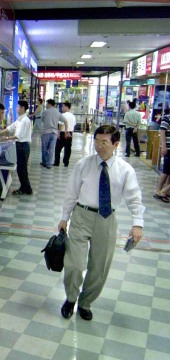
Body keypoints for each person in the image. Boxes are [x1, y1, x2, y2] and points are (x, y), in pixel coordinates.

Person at [58, 125, 144, 320]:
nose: (99, 146)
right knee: (75, 264)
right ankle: (71, 298)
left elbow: (134, 198)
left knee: (100, 266)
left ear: (115, 144)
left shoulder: (125, 170)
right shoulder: (83, 165)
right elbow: (71, 193)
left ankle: (86, 302)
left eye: (104, 142)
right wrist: (64, 218)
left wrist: (137, 223)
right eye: (96, 141)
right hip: (82, 215)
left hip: (107, 219)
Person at [0, 100, 33, 195]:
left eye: (18, 107)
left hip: (23, 146)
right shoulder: (19, 119)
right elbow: (10, 128)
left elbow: (18, 136)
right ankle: (25, 187)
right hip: (20, 146)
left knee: (22, 169)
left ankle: (26, 189)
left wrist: (5, 138)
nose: (16, 108)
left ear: (22, 108)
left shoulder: (24, 121)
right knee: (20, 169)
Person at [40, 99, 63, 169]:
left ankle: (44, 162)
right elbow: (64, 120)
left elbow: (42, 120)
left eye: (46, 104)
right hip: (54, 133)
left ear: (49, 104)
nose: (46, 105)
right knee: (52, 149)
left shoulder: (45, 112)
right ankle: (49, 164)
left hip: (46, 132)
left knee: (44, 148)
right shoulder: (58, 112)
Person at [154, 109, 170, 202]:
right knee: (166, 171)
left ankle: (163, 191)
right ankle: (160, 191)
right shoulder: (167, 118)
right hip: (168, 148)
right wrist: (164, 146)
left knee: (167, 172)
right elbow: (162, 131)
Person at [54, 102, 76, 167]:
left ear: (66, 107)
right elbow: (73, 126)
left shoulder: (63, 115)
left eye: (63, 106)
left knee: (58, 149)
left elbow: (61, 124)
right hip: (69, 133)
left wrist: (58, 133)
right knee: (68, 149)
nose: (62, 108)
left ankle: (57, 162)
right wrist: (72, 134)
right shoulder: (73, 116)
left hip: (63, 133)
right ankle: (66, 162)